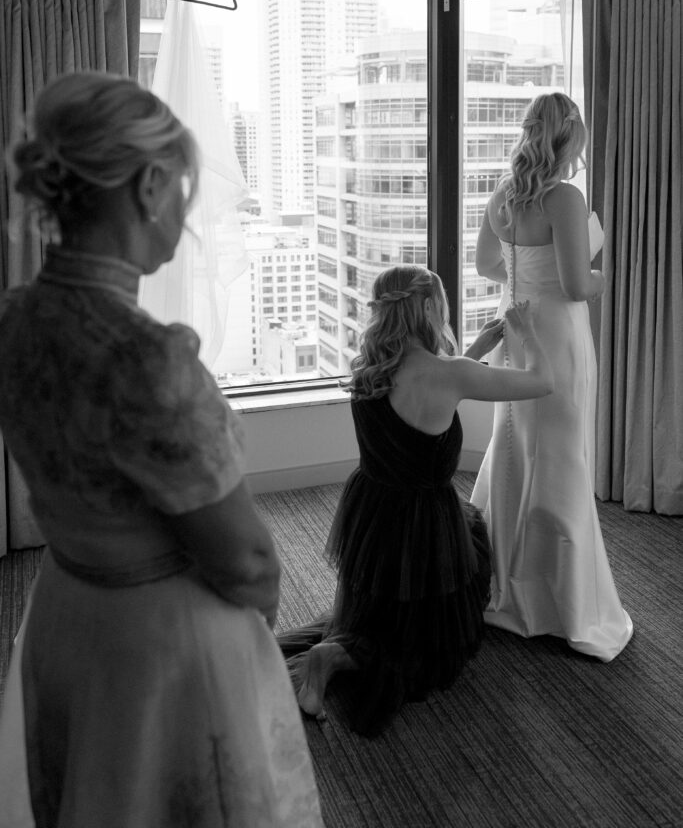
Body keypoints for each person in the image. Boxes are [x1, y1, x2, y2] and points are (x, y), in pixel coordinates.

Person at [0, 72, 323, 828]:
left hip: (65, 606)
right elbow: (245, 562)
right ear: (149, 185)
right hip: (156, 642)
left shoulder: (14, 320)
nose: (185, 210)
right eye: (183, 187)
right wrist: (248, 639)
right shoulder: (147, 358)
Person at [278, 264, 553, 737]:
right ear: (427, 307)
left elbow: (423, 401)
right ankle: (331, 657)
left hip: (372, 514)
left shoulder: (369, 367)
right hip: (425, 525)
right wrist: (527, 333)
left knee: (377, 608)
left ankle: (334, 651)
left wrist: (474, 352)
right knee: (433, 640)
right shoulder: (452, 375)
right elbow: (542, 382)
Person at [471, 91, 633, 661]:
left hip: (516, 330)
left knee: (514, 443)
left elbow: (486, 265)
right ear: (568, 140)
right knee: (562, 453)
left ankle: (507, 584)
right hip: (559, 336)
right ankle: (563, 603)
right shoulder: (564, 197)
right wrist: (602, 276)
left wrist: (524, 280)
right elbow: (574, 285)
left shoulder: (505, 196)